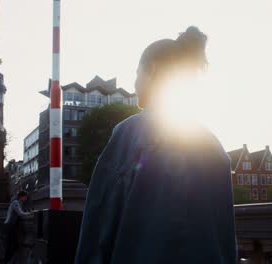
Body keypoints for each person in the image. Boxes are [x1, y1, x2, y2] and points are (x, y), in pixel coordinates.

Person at [75, 26, 237, 264]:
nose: (134, 82)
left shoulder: (129, 134)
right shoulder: (214, 146)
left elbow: (99, 225)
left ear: (151, 70)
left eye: (137, 73)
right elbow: (226, 238)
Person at [4, 190, 31, 263]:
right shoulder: (15, 203)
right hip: (10, 225)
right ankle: (7, 261)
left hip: (12, 226)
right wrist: (30, 213)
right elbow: (20, 213)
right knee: (11, 245)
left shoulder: (19, 203)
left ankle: (10, 260)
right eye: (25, 197)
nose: (26, 198)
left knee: (13, 244)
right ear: (21, 196)